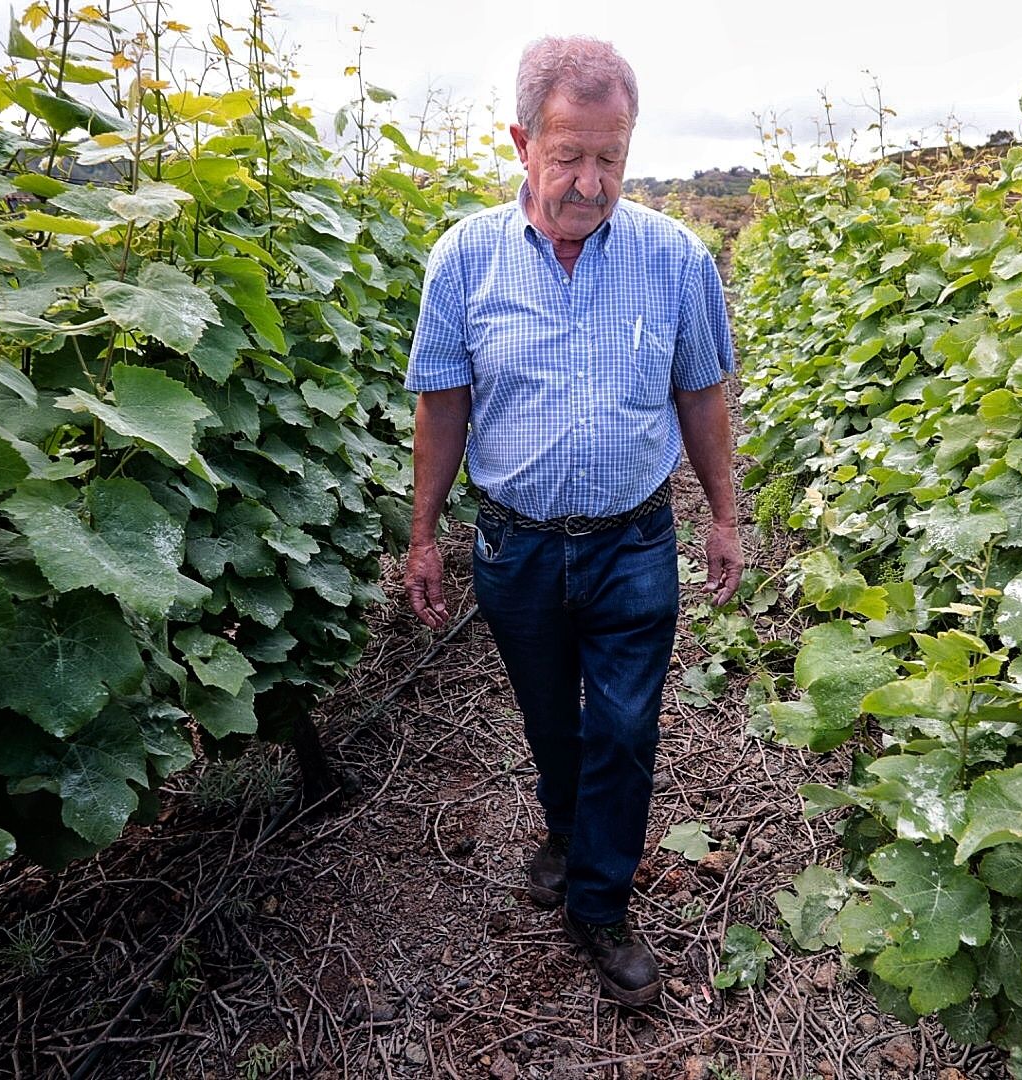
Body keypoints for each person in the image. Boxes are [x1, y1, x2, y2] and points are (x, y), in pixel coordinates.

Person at [402, 35, 743, 1006]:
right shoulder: (463, 260)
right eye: (569, 157)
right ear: (521, 142)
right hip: (513, 547)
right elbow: (443, 404)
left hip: (633, 545)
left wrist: (723, 515)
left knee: (626, 729)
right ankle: (565, 827)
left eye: (611, 158)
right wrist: (425, 535)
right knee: (552, 720)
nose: (592, 183)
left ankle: (599, 903)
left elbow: (703, 395)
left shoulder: (675, 260)